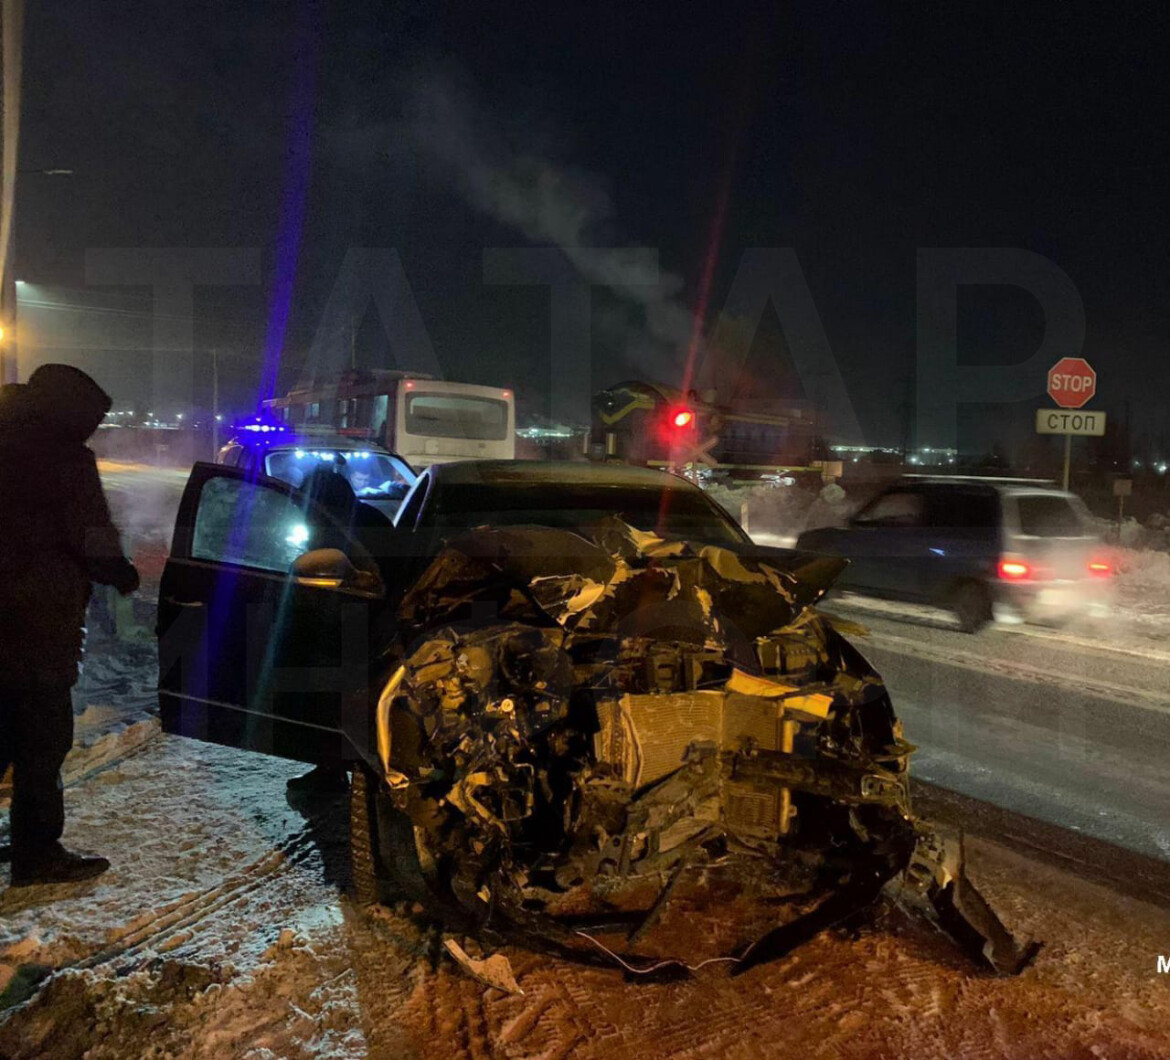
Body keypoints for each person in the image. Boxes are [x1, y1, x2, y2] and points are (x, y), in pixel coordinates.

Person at [0, 365, 139, 885]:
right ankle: (37, 854)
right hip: (34, 622)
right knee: (42, 739)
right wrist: (121, 573)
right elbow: (92, 535)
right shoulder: (63, 458)